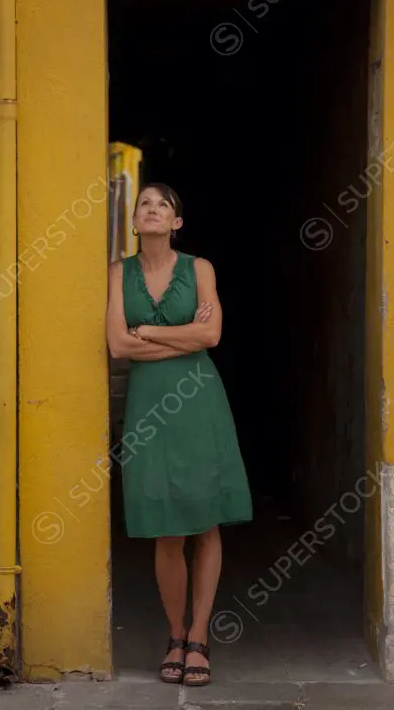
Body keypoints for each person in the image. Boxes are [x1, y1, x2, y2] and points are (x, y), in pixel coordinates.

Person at [105, 182, 253, 687]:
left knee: (205, 521)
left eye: (162, 204)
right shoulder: (117, 273)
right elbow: (117, 344)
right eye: (144, 203)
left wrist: (148, 331)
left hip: (199, 402)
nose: (151, 209)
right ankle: (175, 635)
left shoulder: (200, 268)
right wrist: (179, 336)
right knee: (166, 526)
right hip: (149, 406)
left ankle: (200, 638)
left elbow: (210, 336)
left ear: (176, 222)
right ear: (135, 220)